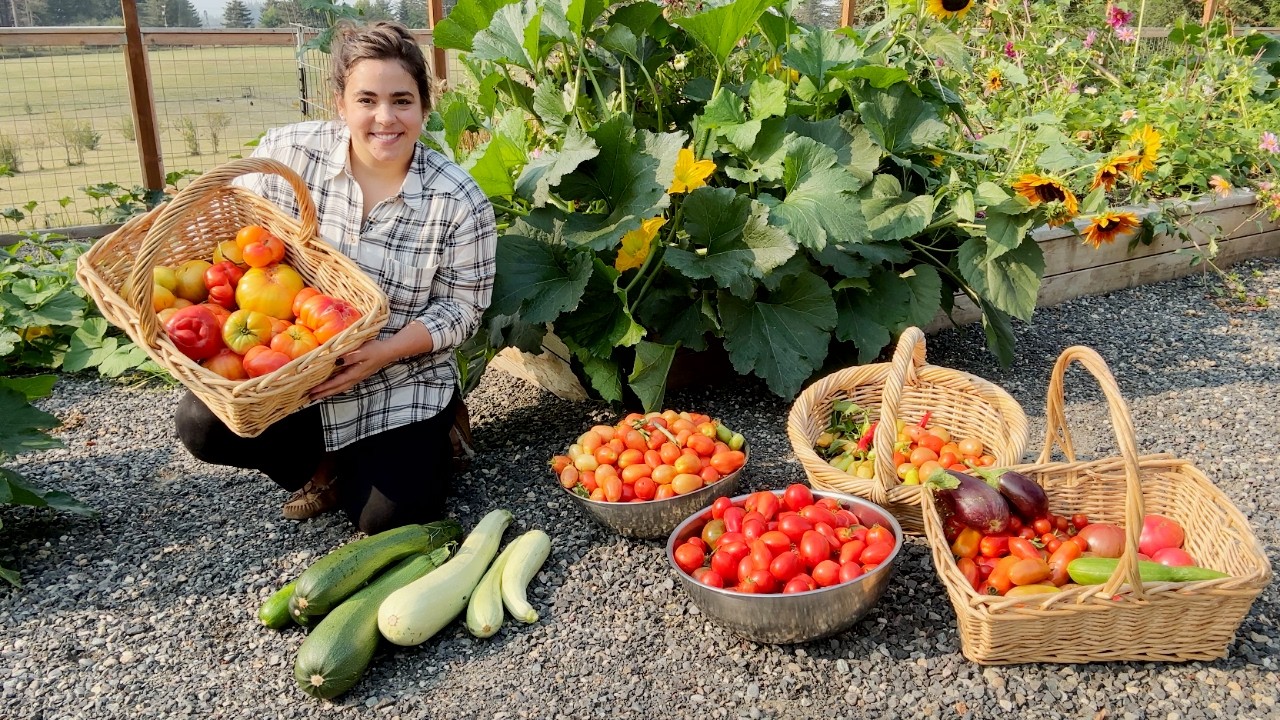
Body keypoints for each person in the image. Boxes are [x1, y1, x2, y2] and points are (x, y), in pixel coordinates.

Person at [175, 20, 497, 535]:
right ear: (340, 103)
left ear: (424, 105)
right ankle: (316, 469)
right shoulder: (290, 155)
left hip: (398, 378)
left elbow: (463, 308)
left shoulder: (458, 200)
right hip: (291, 368)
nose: (385, 118)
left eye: (402, 100)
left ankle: (441, 430)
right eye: (366, 100)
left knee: (388, 521)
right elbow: (234, 229)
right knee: (202, 424)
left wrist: (383, 353)